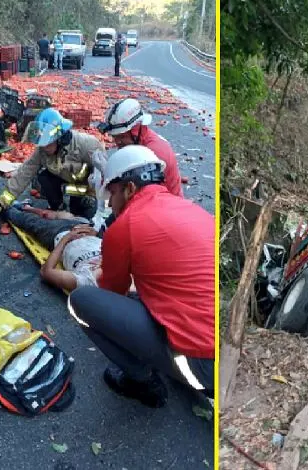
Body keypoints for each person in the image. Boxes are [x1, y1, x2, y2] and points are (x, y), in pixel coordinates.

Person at [67, 145, 214, 408]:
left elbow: (112, 292)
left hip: (201, 370)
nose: (110, 204)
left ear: (130, 188)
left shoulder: (124, 227)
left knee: (81, 301)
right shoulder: (193, 211)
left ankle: (142, 381)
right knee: (140, 297)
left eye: (112, 194)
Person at [0, 186, 103, 293]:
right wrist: (95, 231)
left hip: (59, 233)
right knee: (56, 214)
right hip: (85, 226)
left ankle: (4, 206)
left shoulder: (87, 282)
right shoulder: (119, 264)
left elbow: (46, 272)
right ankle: (26, 207)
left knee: (25, 220)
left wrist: (66, 238)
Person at [0, 108, 107, 219]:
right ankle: (58, 207)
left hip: (85, 187)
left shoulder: (87, 145)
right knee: (44, 177)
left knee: (82, 213)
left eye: (48, 142)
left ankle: (82, 204)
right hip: (66, 183)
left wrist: (95, 196)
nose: (44, 147)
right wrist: (3, 202)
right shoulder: (42, 150)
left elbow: (105, 174)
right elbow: (24, 174)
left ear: (60, 138)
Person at [98, 98, 182, 197]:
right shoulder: (137, 145)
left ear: (136, 131)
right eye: (115, 137)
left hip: (164, 206)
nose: (117, 142)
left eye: (122, 137)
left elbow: (133, 193)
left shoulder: (154, 154)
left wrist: (107, 174)